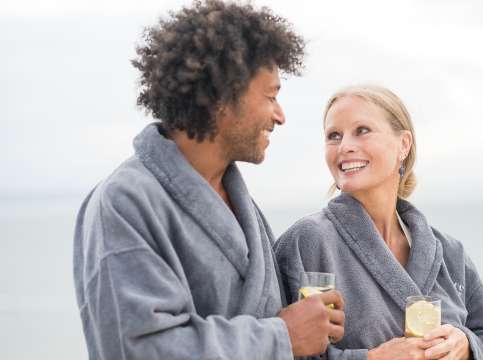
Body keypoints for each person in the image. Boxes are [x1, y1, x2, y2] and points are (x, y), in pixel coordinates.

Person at [72, 1, 345, 359]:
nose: (280, 116)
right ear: (222, 97)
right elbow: (141, 348)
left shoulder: (242, 206)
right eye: (271, 95)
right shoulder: (124, 203)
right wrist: (282, 337)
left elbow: (288, 330)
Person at [275, 85, 483, 360]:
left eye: (362, 130)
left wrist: (465, 344)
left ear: (403, 145)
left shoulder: (448, 251)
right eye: (334, 136)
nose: (345, 146)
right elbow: (279, 349)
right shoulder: (307, 242)